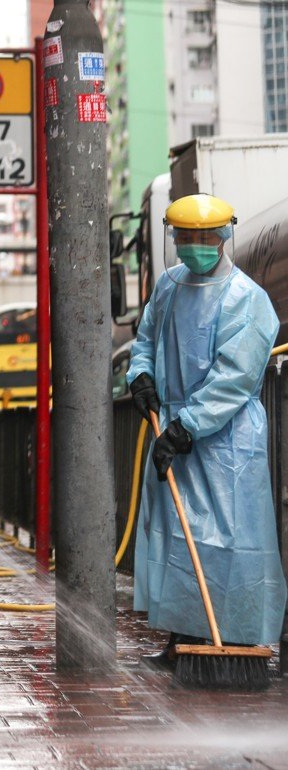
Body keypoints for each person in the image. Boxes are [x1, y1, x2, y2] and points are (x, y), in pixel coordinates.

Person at [127, 193, 287, 667]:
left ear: (223, 235)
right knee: (180, 537)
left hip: (226, 444)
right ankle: (182, 639)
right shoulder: (170, 285)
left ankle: (238, 640)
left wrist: (188, 425)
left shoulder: (248, 300)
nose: (194, 244)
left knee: (232, 540)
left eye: (204, 236)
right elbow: (146, 338)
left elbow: (235, 377)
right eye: (185, 236)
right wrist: (142, 377)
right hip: (174, 431)